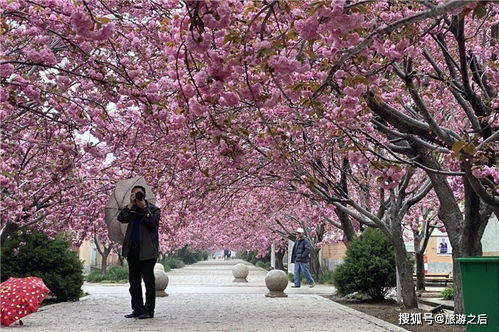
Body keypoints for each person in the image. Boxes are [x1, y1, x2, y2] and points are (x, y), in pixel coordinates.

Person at [118, 185, 160, 319]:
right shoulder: (131, 209)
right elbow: (121, 218)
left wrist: (144, 208)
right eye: (134, 194)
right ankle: (137, 309)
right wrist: (130, 204)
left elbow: (153, 223)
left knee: (149, 282)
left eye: (139, 194)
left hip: (147, 251)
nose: (137, 196)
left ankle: (148, 311)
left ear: (144, 195)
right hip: (133, 250)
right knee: (134, 282)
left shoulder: (154, 209)